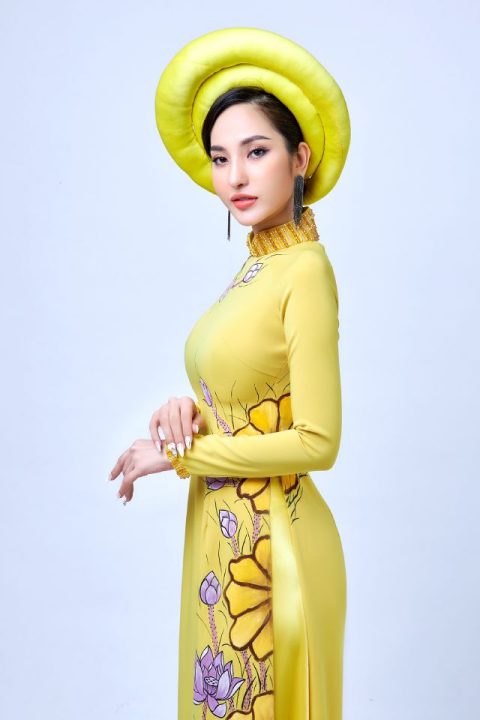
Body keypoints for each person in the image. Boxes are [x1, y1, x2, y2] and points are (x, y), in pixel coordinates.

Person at [109, 27, 351, 720]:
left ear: (300, 157)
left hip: (272, 550)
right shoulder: (259, 265)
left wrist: (182, 458)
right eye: (220, 158)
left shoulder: (304, 271)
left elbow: (317, 442)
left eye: (256, 151)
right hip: (225, 534)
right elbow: (253, 393)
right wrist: (191, 412)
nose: (235, 177)